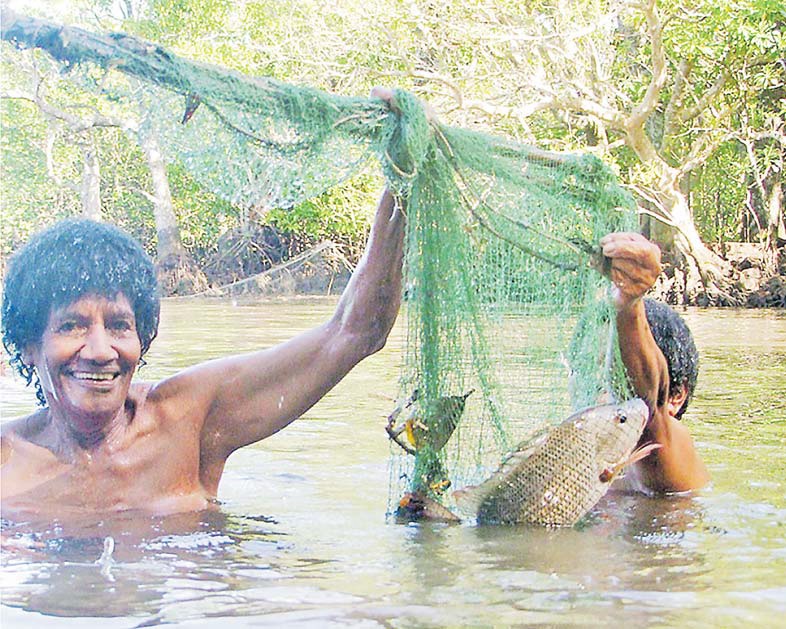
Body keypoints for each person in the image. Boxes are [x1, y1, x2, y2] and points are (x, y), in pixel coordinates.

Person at [0, 186, 405, 518]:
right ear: (29, 345)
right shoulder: (5, 462)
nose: (101, 350)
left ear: (142, 338)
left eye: (120, 325)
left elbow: (354, 332)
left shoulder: (188, 418)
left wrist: (400, 186)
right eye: (72, 326)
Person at [600, 232, 710, 494]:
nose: (603, 397)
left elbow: (649, 402)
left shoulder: (663, 452)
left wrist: (629, 304)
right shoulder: (607, 465)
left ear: (676, 397)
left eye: (618, 384)